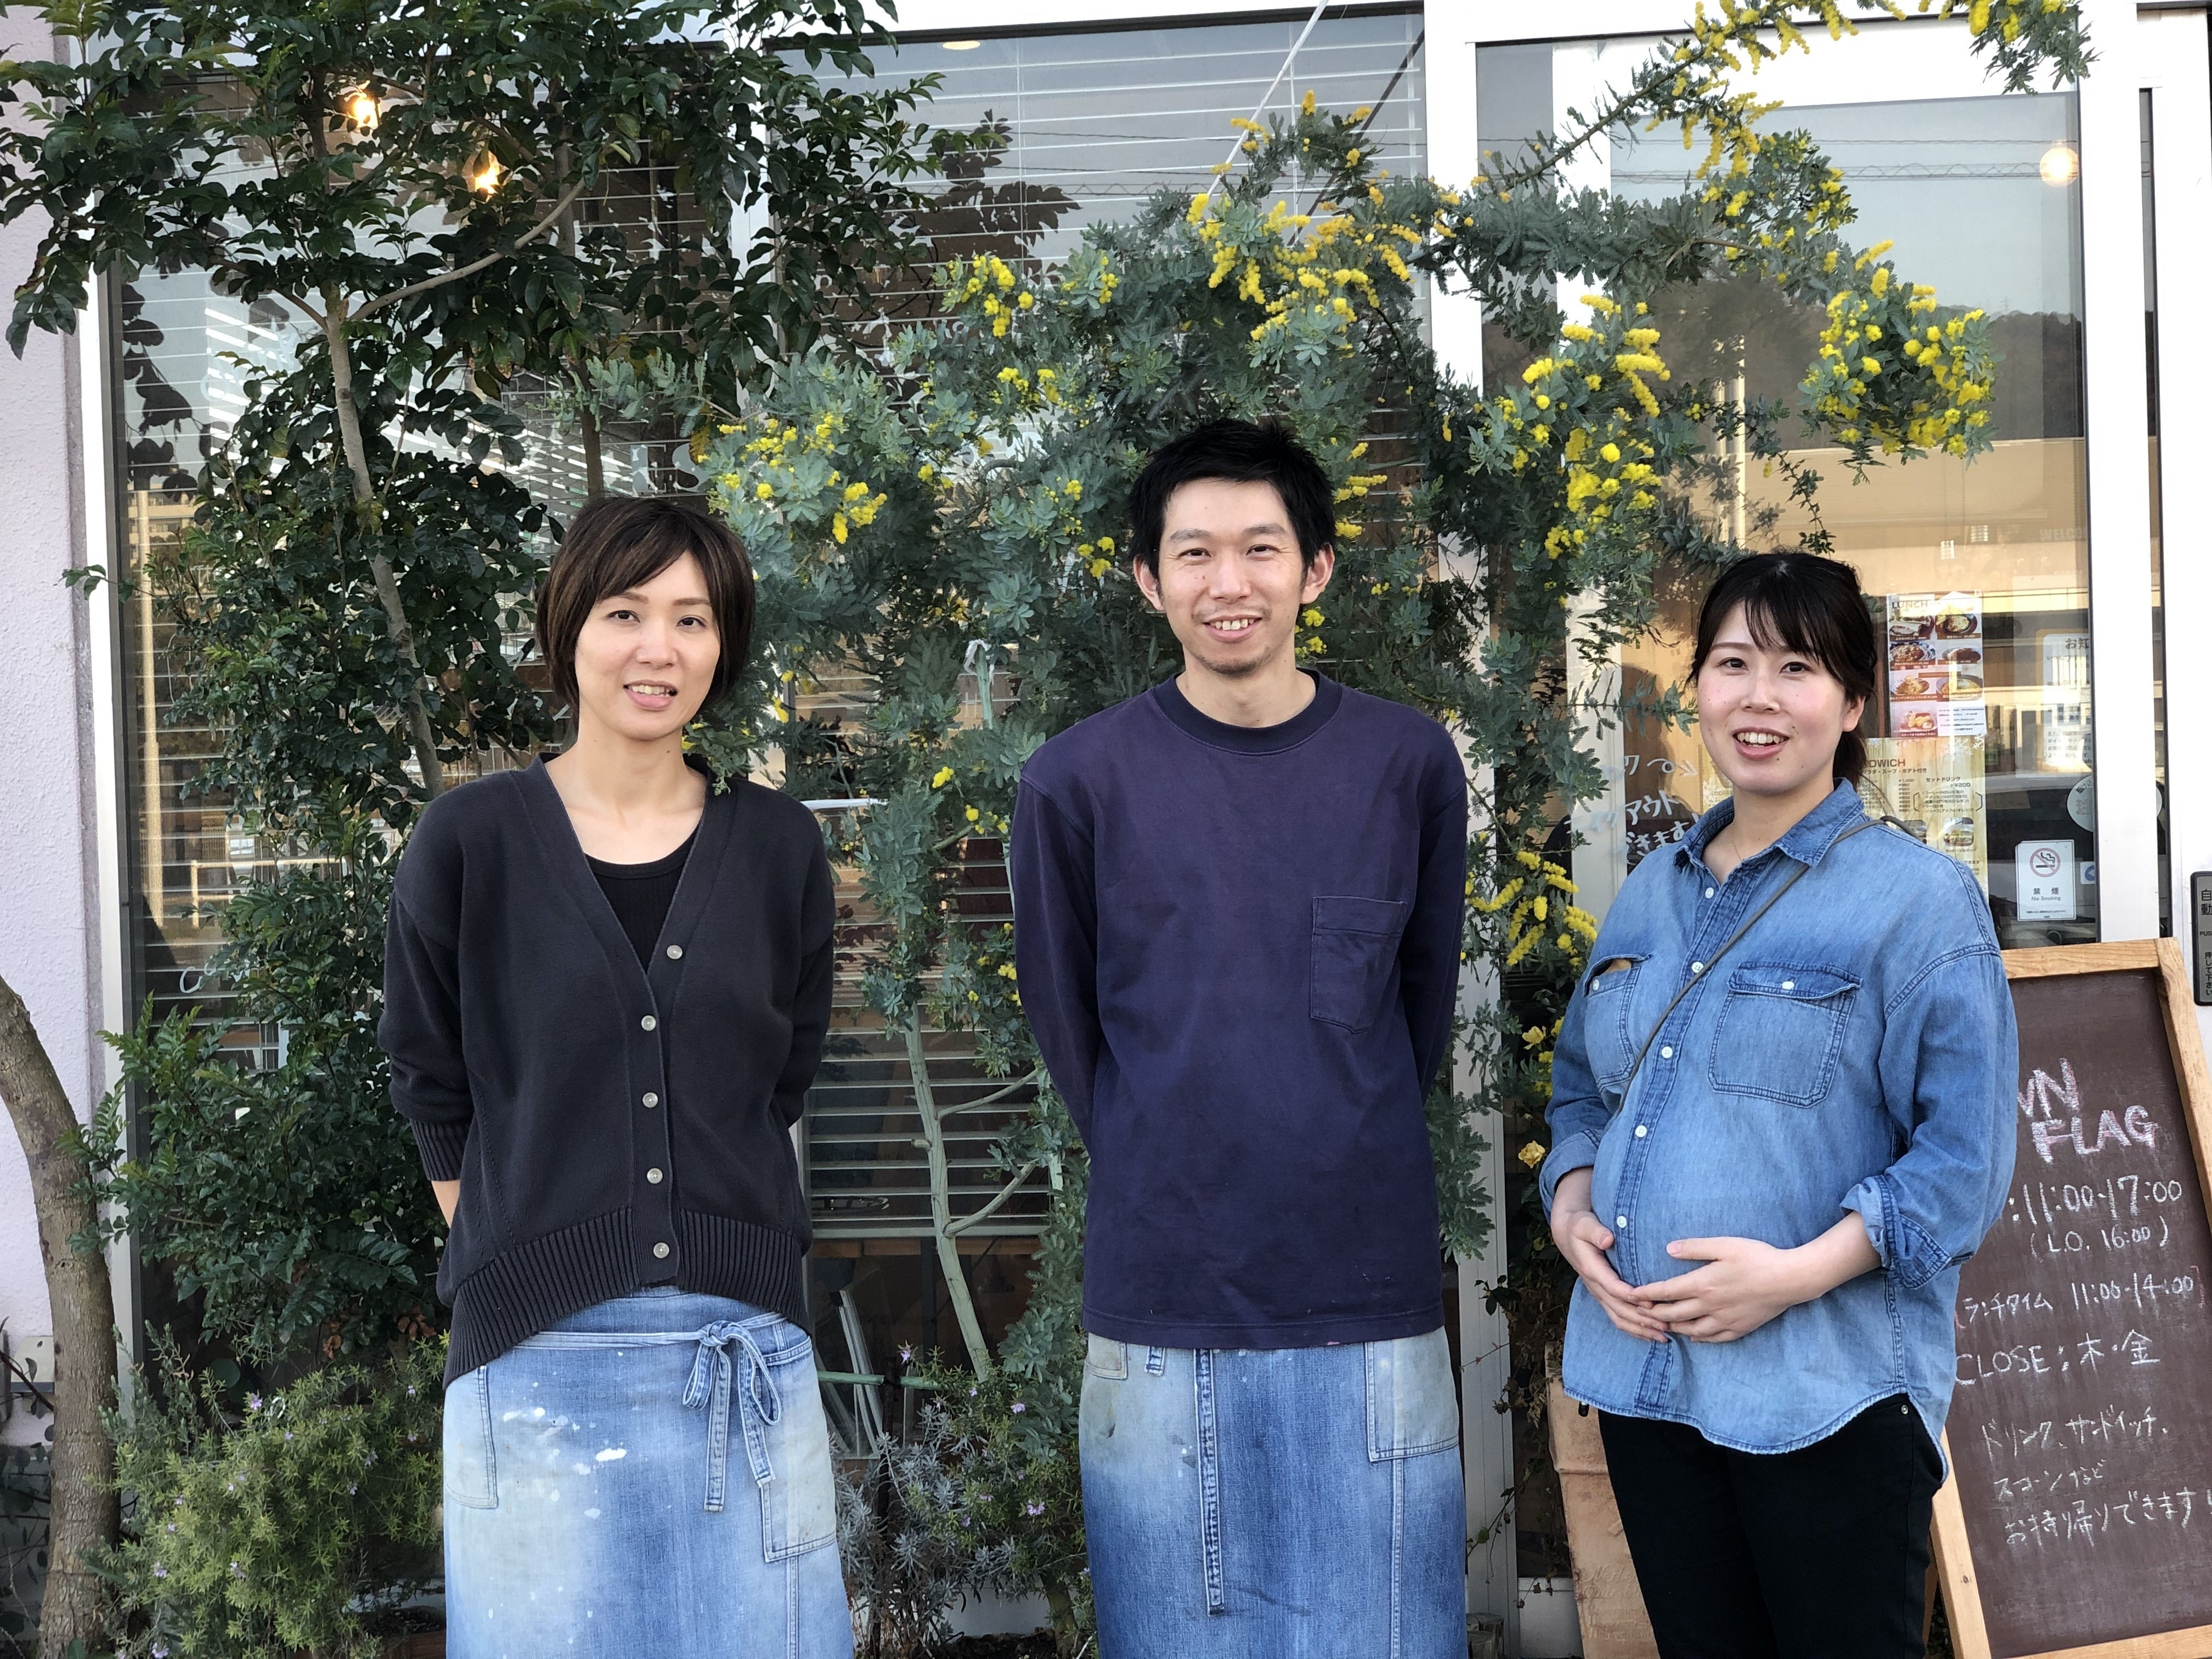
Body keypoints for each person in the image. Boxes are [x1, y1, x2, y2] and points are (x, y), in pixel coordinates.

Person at [1012, 418, 1470, 1656]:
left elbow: (1415, 1013)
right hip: (1164, 1298)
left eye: (1262, 548)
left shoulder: (1406, 764)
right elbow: (1072, 1031)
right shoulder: (1075, 782)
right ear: (1148, 579)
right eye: (1195, 553)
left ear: (1316, 569)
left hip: (1368, 1296)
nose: (1231, 582)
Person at [379, 495, 849, 1659]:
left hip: (745, 1357)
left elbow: (779, 1078)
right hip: (532, 1362)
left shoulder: (780, 847)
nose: (659, 648)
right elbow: (431, 1088)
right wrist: (530, 1240)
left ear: (724, 645)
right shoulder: (469, 844)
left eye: (693, 619)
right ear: (568, 628)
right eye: (626, 612)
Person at [1541, 551, 2017, 1659]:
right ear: (1698, 689)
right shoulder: (1650, 892)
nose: (1759, 698)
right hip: (1649, 1385)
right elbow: (1582, 1090)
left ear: (1851, 705)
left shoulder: (1918, 903)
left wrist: (1792, 1277)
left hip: (1827, 1397)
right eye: (1732, 664)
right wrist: (1571, 1206)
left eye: (1797, 668)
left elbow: (1965, 1165)